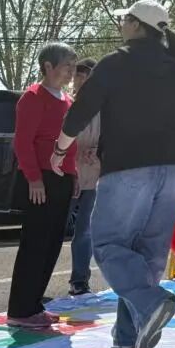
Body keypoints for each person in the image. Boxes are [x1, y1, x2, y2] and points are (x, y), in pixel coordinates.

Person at [54, 1, 175, 348]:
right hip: (172, 172)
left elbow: (81, 110)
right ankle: (128, 334)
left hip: (128, 168)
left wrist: (60, 149)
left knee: (108, 245)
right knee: (148, 256)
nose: (121, 24)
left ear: (138, 25)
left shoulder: (115, 63)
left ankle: (151, 303)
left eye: (125, 19)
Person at [6, 43, 78, 329]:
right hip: (41, 179)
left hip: (62, 179)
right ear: (48, 66)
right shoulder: (34, 97)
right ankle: (20, 309)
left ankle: (34, 305)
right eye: (66, 65)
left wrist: (73, 176)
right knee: (35, 243)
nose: (71, 71)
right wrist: (34, 178)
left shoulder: (67, 100)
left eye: (73, 65)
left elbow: (69, 144)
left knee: (52, 244)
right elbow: (22, 142)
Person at [67, 57, 100, 296]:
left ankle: (79, 280)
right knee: (52, 230)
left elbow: (114, 140)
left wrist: (98, 151)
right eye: (77, 75)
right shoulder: (67, 104)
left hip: (94, 177)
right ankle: (36, 282)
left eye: (84, 75)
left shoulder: (106, 108)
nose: (80, 79)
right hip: (67, 176)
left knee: (85, 231)